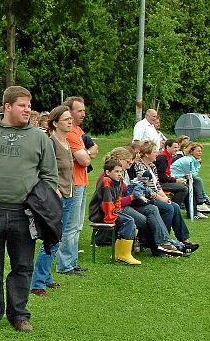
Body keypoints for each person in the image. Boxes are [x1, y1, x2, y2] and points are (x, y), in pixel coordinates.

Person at [0, 86, 57, 332]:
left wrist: (40, 204)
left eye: (29, 105)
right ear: (7, 107)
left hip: (24, 213)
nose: (28, 110)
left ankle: (19, 315)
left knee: (22, 266)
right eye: (23, 105)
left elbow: (49, 175)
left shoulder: (39, 137)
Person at [30, 104, 75, 296]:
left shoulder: (66, 142)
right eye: (66, 119)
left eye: (70, 118)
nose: (70, 121)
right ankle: (37, 283)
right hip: (56, 197)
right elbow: (41, 169)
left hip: (69, 195)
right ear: (55, 123)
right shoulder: (50, 142)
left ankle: (46, 278)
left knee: (57, 239)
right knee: (51, 239)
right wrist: (54, 189)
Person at [128, 142, 199, 254]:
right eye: (155, 152)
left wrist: (165, 197)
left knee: (174, 206)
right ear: (146, 154)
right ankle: (161, 243)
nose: (157, 154)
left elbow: (157, 186)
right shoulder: (139, 167)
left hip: (154, 195)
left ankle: (183, 240)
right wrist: (160, 198)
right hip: (145, 197)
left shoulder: (152, 166)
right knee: (169, 208)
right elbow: (144, 188)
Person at [59, 95, 98, 277]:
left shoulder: (79, 131)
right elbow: (84, 159)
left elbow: (93, 152)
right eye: (79, 110)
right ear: (69, 111)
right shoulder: (71, 134)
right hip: (73, 183)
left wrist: (87, 153)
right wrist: (87, 153)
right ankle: (65, 265)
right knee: (70, 226)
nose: (83, 114)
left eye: (84, 110)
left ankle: (72, 262)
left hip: (82, 181)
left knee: (77, 225)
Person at [88, 158, 141, 265]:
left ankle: (120, 253)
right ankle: (123, 254)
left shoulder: (118, 182)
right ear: (108, 172)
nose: (119, 174)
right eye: (116, 171)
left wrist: (117, 211)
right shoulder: (106, 182)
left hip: (111, 212)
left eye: (120, 171)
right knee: (128, 221)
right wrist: (111, 218)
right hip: (100, 214)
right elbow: (106, 203)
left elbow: (118, 200)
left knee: (130, 220)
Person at [170, 143, 210, 219]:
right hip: (174, 179)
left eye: (201, 151)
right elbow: (194, 175)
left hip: (180, 178)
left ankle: (202, 202)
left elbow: (192, 175)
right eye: (198, 151)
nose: (200, 153)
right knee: (194, 182)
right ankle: (201, 203)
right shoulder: (187, 160)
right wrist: (199, 163)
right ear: (191, 152)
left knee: (197, 181)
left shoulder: (190, 159)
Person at [153, 139, 189, 210]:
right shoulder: (163, 158)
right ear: (167, 147)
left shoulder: (168, 156)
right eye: (175, 147)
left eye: (178, 147)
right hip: (160, 184)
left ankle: (191, 210)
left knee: (186, 185)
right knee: (183, 189)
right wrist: (175, 180)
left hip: (163, 181)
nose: (177, 149)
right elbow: (162, 177)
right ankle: (172, 207)